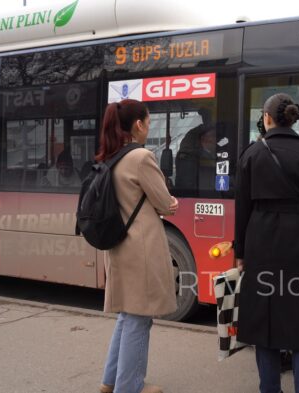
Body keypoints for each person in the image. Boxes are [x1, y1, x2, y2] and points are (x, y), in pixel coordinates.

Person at [235, 93, 299, 393]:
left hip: (260, 243)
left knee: (263, 324)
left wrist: (241, 252)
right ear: (293, 119)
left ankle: (270, 388)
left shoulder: (252, 154)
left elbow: (242, 210)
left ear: (267, 118)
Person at [97, 99, 179, 393]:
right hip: (140, 247)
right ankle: (129, 386)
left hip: (119, 245)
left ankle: (110, 381)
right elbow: (165, 203)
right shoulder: (141, 157)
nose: (149, 127)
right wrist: (173, 203)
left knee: (126, 315)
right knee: (138, 319)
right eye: (148, 121)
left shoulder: (112, 155)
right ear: (138, 124)